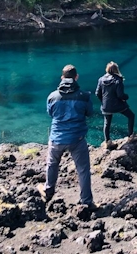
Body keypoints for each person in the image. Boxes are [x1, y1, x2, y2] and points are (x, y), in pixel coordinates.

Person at [39, 65, 95, 208]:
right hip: (77, 139)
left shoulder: (52, 96)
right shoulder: (85, 96)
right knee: (83, 170)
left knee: (52, 164)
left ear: (62, 78)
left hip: (57, 138)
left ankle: (49, 191)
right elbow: (89, 113)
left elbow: (50, 114)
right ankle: (86, 201)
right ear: (76, 77)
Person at [96, 61, 137, 148]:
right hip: (118, 105)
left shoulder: (101, 79)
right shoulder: (118, 80)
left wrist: (103, 101)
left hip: (106, 106)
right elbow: (120, 95)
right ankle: (131, 136)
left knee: (107, 123)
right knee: (131, 116)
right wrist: (126, 97)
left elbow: (97, 93)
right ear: (116, 70)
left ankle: (107, 142)